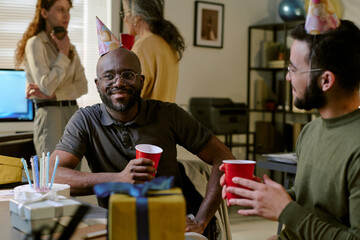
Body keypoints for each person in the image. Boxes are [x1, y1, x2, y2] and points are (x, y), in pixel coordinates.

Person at [49, 46, 235, 238]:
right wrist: (118, 179)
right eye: (109, 76)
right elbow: (52, 175)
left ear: (141, 81)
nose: (118, 82)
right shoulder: (85, 121)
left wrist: (201, 220)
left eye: (128, 75)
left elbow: (224, 158)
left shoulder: (169, 114)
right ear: (97, 84)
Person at [221, 19, 360, 239]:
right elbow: (313, 203)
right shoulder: (310, 131)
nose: (287, 77)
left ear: (325, 80)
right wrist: (262, 194)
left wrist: (286, 210)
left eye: (293, 69)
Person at [14, 0, 88, 157]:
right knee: (53, 176)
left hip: (73, 114)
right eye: (60, 9)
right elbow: (47, 86)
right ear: (44, 13)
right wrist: (62, 55)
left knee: (75, 174)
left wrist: (56, 94)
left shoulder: (70, 47)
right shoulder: (35, 44)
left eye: (68, 10)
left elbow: (83, 86)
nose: (66, 15)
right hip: (49, 116)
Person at [121, 0, 185, 103]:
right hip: (166, 117)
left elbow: (128, 98)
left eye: (125, 13)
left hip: (146, 118)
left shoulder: (143, 46)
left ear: (138, 17)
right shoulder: (168, 44)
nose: (124, 19)